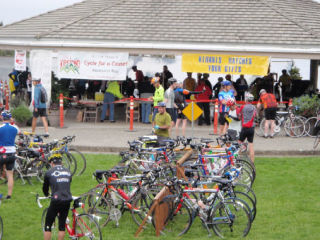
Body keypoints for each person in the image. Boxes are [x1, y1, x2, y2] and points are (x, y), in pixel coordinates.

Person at [42, 156, 72, 240]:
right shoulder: (68, 171)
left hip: (56, 200)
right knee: (62, 226)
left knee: (48, 225)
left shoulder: (49, 172)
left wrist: (47, 194)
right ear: (61, 163)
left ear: (52, 163)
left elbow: (45, 188)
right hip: (67, 199)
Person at [0, 110, 20, 199]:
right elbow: (19, 132)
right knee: (10, 174)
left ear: (2, 117)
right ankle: (9, 195)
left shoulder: (0, 127)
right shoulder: (15, 128)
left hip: (2, 153)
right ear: (10, 118)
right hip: (12, 153)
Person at [236, 93, 256, 163]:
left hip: (244, 128)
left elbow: (239, 116)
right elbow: (254, 116)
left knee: (239, 144)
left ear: (246, 99)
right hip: (252, 128)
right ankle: (252, 163)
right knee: (251, 145)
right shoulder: (254, 107)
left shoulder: (243, 107)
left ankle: (237, 160)